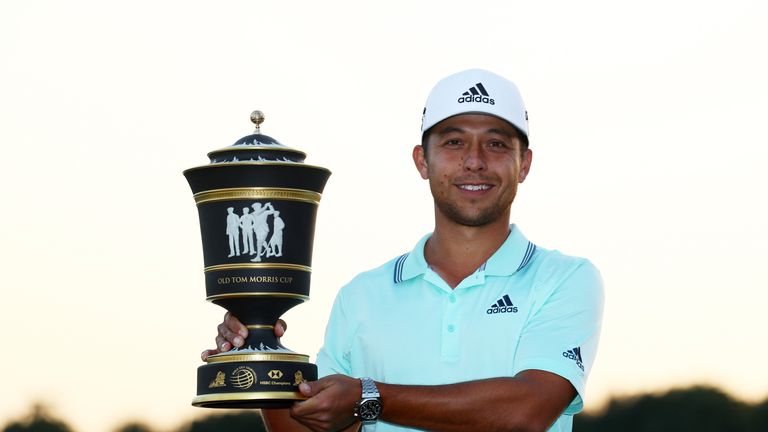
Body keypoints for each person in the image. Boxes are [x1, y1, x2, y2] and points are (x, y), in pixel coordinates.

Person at [204, 69, 604, 432]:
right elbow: (319, 427)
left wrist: (368, 397)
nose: (474, 161)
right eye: (454, 142)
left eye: (497, 144)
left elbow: (527, 411)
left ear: (524, 164)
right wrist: (260, 360)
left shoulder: (564, 278)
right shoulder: (361, 296)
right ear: (422, 161)